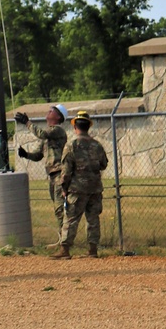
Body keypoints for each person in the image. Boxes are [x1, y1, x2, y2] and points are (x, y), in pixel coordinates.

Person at [55, 110, 108, 259]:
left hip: (77, 189)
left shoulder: (71, 145)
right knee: (93, 219)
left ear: (75, 127)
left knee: (71, 219)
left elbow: (66, 171)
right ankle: (92, 249)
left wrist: (64, 188)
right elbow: (103, 164)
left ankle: (65, 249)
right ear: (88, 127)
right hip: (95, 188)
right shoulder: (97, 145)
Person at [14, 103, 69, 238]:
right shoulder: (49, 135)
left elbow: (42, 134)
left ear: (58, 116)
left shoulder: (57, 130)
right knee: (57, 207)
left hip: (59, 174)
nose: (48, 112)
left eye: (51, 111)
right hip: (52, 175)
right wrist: (26, 154)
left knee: (59, 207)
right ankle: (64, 236)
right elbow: (38, 155)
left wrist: (27, 123)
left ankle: (65, 238)